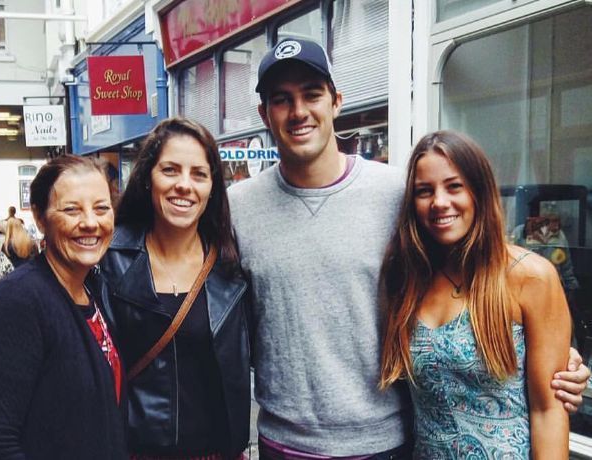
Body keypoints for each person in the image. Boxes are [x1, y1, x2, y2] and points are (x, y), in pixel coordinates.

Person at [227, 37, 588, 458]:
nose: (299, 111)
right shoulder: (236, 208)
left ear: (336, 102)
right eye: (281, 99)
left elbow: (472, 272)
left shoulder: (398, 192)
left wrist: (555, 356)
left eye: (312, 95)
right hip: (284, 444)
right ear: (264, 114)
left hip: (387, 444)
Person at [379, 130, 571, 457]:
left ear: (479, 191)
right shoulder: (407, 278)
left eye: (454, 186)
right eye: (424, 191)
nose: (440, 202)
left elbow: (549, 410)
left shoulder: (530, 276)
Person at [101, 117, 249, 459]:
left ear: (212, 186)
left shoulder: (231, 266)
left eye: (198, 174)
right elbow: (62, 327)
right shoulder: (108, 260)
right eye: (170, 170)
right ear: (148, 179)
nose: (184, 185)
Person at [0, 155, 127, 459]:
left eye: (102, 208)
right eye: (71, 209)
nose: (90, 222)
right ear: (39, 217)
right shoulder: (17, 301)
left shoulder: (94, 290)